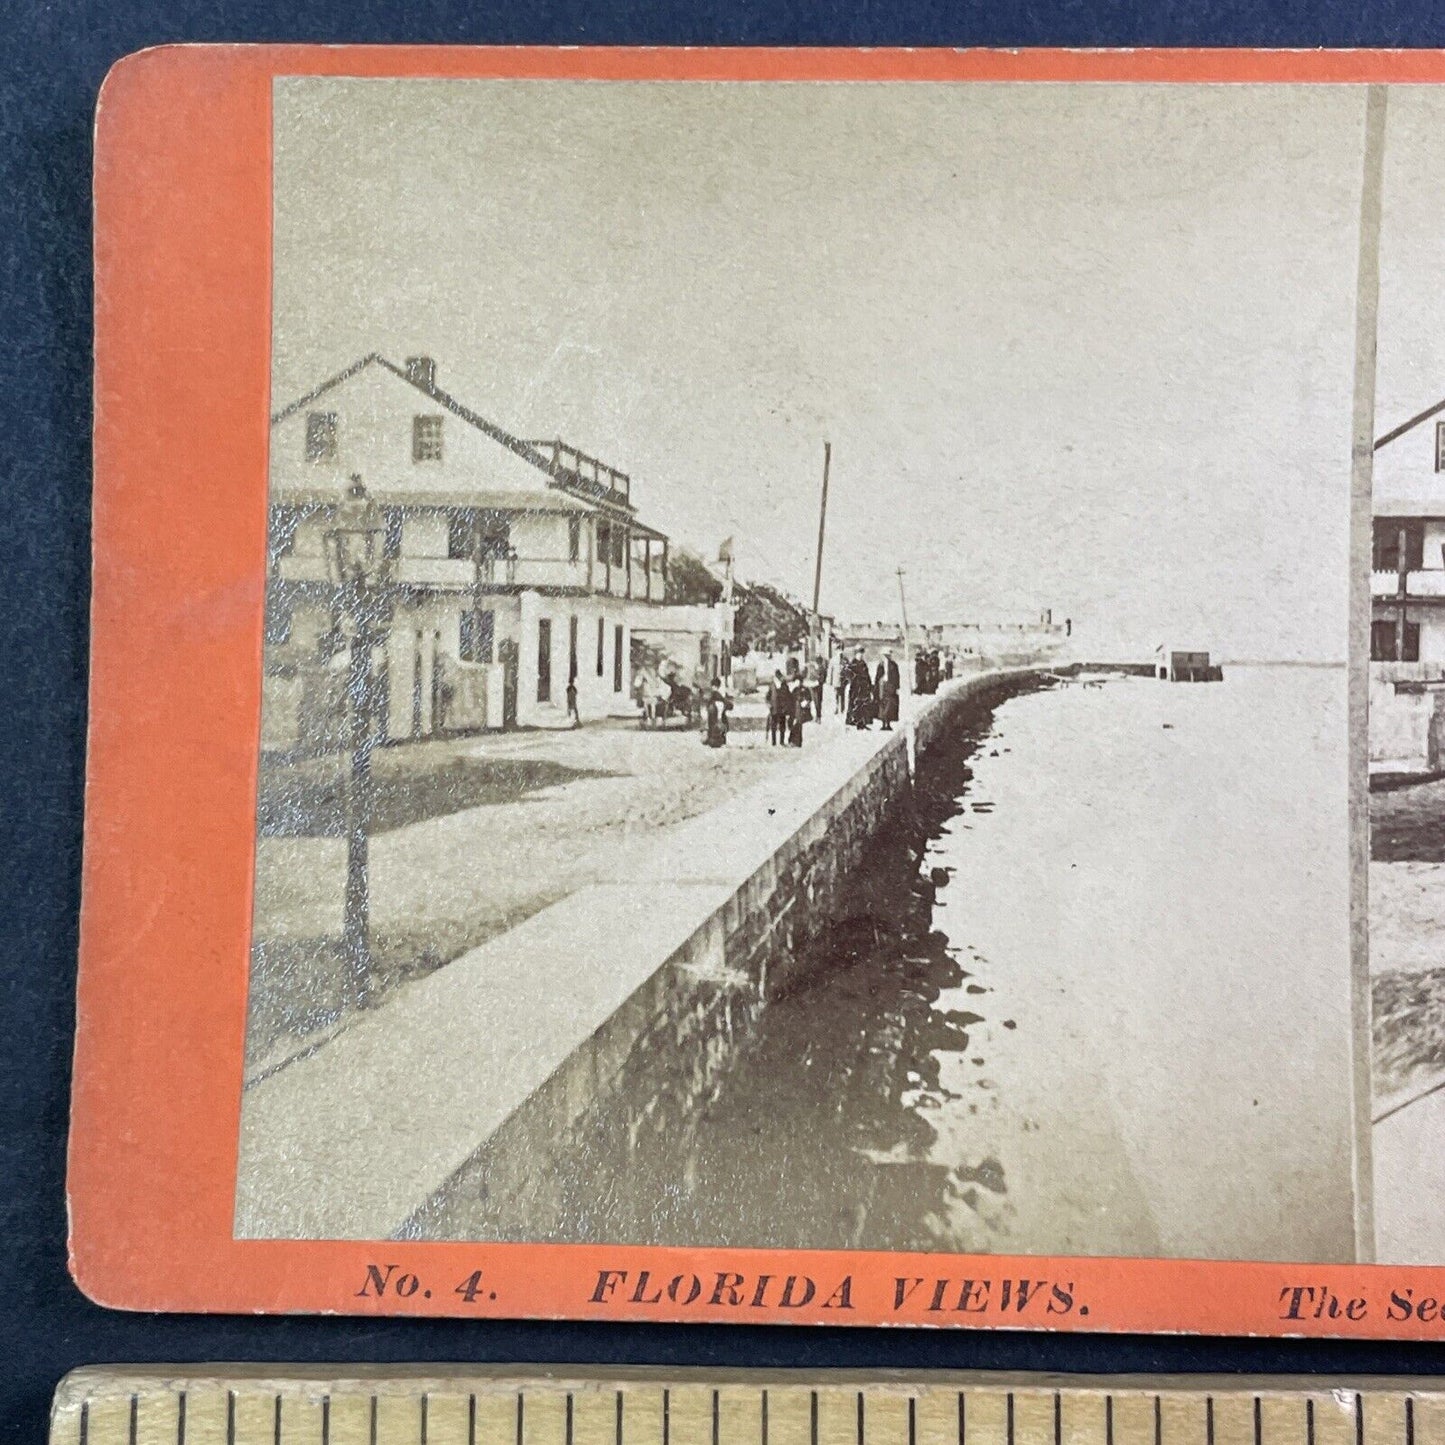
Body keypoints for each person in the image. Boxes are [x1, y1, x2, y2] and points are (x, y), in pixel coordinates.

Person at [845, 648, 874, 730]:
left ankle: (862, 723)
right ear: (856, 654)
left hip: (864, 688)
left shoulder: (863, 664)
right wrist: (853, 680)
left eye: (862, 654)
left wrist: (870, 686)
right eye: (859, 654)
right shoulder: (852, 664)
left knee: (863, 705)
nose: (861, 655)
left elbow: (867, 676)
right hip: (855, 688)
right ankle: (852, 722)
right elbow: (847, 674)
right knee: (854, 704)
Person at [876, 649, 901, 731]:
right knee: (882, 704)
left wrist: (897, 687)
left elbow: (897, 677)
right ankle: (883, 723)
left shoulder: (894, 665)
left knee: (890, 705)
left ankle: (888, 724)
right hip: (882, 686)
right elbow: (877, 677)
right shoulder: (880, 665)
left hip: (891, 686)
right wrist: (876, 686)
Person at [702, 679, 730, 748]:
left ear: (712, 686)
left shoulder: (713, 694)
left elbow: (708, 703)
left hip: (714, 713)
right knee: (721, 724)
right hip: (720, 715)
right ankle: (721, 739)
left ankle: (712, 739)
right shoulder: (721, 695)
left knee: (712, 724)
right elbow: (728, 704)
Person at [789, 673, 813, 746]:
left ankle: (797, 742)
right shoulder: (795, 689)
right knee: (793, 724)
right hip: (795, 709)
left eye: (799, 681)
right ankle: (792, 741)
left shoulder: (805, 689)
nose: (798, 683)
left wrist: (806, 702)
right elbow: (791, 699)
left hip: (802, 710)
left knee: (798, 725)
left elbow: (809, 698)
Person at [766, 669, 788, 746]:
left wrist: (786, 706)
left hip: (782, 708)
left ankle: (781, 741)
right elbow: (768, 697)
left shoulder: (784, 684)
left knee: (782, 725)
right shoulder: (772, 685)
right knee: (773, 726)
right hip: (774, 708)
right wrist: (768, 704)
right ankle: (774, 742)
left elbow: (787, 696)